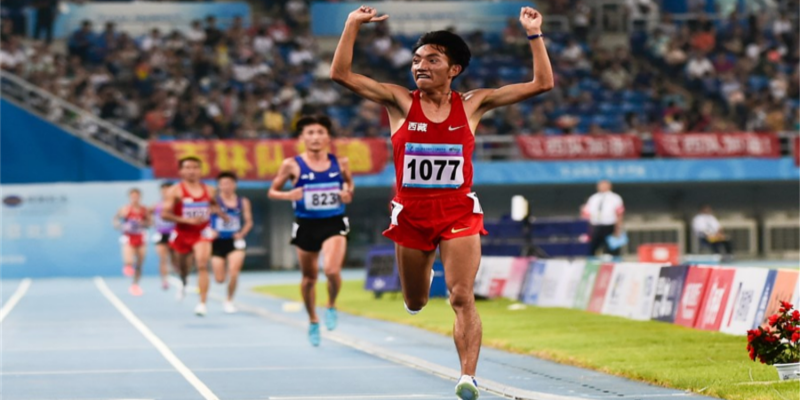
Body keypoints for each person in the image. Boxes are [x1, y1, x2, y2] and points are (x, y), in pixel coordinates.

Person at [330, 5, 553, 399]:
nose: (420, 66)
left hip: (458, 213)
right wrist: (351, 25)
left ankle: (468, 377)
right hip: (412, 216)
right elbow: (341, 75)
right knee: (415, 300)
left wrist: (534, 35)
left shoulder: (472, 104)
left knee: (461, 295)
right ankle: (424, 273)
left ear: (454, 69)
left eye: (432, 59)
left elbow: (541, 84)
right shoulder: (400, 102)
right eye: (416, 60)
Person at [268, 115, 354, 347]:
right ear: (302, 137)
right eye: (310, 133)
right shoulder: (292, 164)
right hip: (306, 225)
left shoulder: (341, 162)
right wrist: (288, 195)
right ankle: (313, 319)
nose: (315, 137)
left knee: (332, 269)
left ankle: (331, 304)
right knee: (309, 278)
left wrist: (347, 193)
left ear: (328, 137)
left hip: (333, 222)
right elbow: (272, 191)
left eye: (320, 132)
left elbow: (348, 185)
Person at [161, 157, 227, 316]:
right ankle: (183, 280)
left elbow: (214, 205)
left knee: (202, 264)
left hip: (202, 233)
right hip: (182, 233)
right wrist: (186, 220)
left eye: (195, 167)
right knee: (183, 266)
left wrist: (219, 217)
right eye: (188, 168)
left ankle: (202, 303)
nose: (191, 171)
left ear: (200, 170)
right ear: (181, 171)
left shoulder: (210, 190)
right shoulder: (175, 191)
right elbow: (164, 214)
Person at [210, 172, 253, 314]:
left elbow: (248, 222)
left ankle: (229, 300)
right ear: (219, 186)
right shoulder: (213, 201)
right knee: (220, 279)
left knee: (234, 272)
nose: (226, 186)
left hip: (234, 241)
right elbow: (204, 219)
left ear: (235, 185)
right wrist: (211, 230)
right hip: (217, 241)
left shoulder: (243, 201)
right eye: (223, 184)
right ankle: (222, 281)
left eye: (229, 183)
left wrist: (242, 233)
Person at [113, 188, 151, 296]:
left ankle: (135, 285)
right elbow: (115, 220)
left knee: (139, 264)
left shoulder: (144, 209)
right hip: (129, 237)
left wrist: (144, 223)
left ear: (140, 197)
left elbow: (150, 222)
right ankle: (128, 266)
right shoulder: (124, 209)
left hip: (141, 237)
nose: (135, 199)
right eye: (133, 197)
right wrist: (119, 225)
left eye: (137, 196)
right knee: (129, 260)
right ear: (130, 197)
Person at [582, 180, 625, 257]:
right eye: (601, 185)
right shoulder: (593, 198)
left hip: (610, 225)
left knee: (611, 248)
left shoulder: (615, 198)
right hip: (595, 225)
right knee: (592, 247)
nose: (603, 187)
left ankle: (614, 264)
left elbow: (619, 213)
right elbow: (586, 213)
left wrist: (618, 227)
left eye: (605, 185)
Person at [150, 182, 176, 290]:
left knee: (176, 260)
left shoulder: (176, 204)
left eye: (168, 190)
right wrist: (151, 222)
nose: (165, 192)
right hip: (161, 234)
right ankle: (164, 280)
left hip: (174, 234)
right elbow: (147, 213)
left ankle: (182, 278)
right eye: (163, 190)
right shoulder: (156, 205)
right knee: (163, 258)